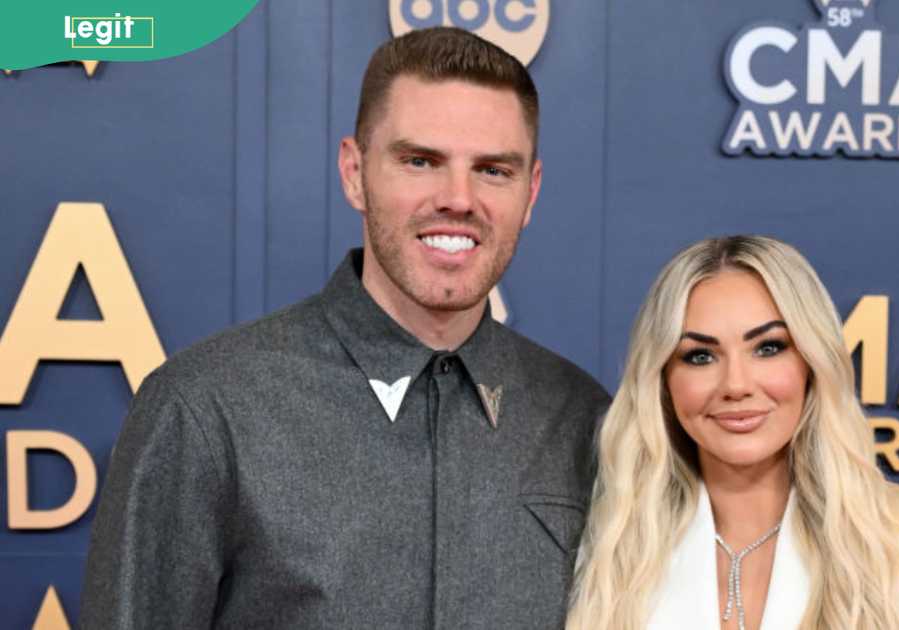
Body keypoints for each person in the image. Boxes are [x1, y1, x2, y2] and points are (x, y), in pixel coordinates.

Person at [81, 27, 610, 629]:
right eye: (420, 161)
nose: (458, 198)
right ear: (354, 172)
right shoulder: (206, 408)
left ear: (531, 191)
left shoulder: (585, 420)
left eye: (493, 170)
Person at [566, 236, 899, 630]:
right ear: (663, 381)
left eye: (768, 348)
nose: (736, 384)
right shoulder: (608, 547)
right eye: (700, 356)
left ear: (812, 363)